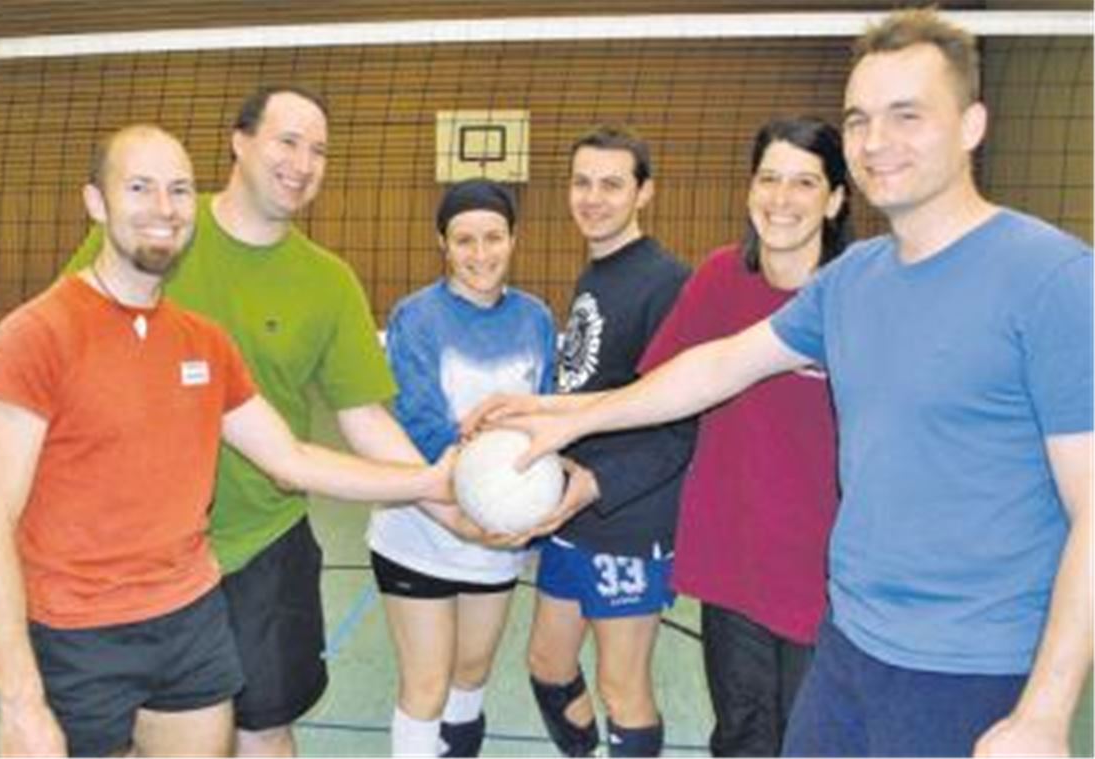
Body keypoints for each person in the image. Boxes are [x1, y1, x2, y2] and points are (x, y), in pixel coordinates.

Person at [467, 9, 1092, 757]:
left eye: (907, 115)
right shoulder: (854, 280)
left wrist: (1045, 712)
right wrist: (564, 416)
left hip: (969, 666)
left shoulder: (1052, 279)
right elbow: (717, 365)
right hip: (849, 641)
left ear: (972, 125)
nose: (876, 141)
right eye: (859, 119)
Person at [0, 125, 455, 758]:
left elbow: (289, 459)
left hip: (189, 622)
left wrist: (432, 480)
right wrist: (20, 704)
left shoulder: (203, 342)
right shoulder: (32, 338)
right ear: (95, 202)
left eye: (178, 190)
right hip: (77, 632)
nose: (163, 208)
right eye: (139, 188)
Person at [639, 116, 850, 756]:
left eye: (804, 182)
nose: (781, 198)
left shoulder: (857, 295)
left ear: (836, 200)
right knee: (742, 738)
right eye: (768, 178)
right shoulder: (719, 278)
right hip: (734, 559)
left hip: (828, 573)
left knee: (812, 742)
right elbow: (659, 399)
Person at [505, 125, 694, 758]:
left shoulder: (666, 283)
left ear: (645, 193)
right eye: (582, 183)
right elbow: (598, 391)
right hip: (574, 510)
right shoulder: (597, 274)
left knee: (622, 685)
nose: (593, 198)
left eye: (612, 184)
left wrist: (599, 481)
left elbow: (680, 422)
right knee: (547, 665)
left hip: (629, 516)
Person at [367, 178, 558, 757]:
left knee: (471, 676)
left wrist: (528, 507)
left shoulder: (536, 318)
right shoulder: (416, 317)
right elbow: (420, 425)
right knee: (426, 687)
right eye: (464, 240)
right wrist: (474, 494)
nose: (480, 254)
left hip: (497, 533)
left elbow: (546, 415)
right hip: (421, 525)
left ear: (513, 238)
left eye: (493, 238)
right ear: (443, 244)